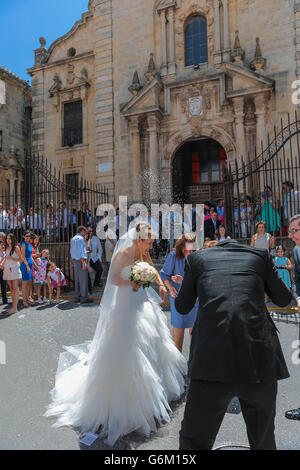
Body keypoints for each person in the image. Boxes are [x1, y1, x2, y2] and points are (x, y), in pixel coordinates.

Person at [45, 222, 186, 446]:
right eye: (149, 243)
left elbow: (152, 269)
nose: (150, 248)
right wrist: (135, 280)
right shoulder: (123, 252)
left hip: (140, 301)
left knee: (151, 341)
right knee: (127, 348)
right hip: (125, 304)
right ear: (139, 239)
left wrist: (159, 285)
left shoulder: (142, 252)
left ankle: (154, 390)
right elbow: (113, 280)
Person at [175, 238, 292, 450]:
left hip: (211, 361)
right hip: (259, 359)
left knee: (194, 441)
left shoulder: (196, 260)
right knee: (263, 440)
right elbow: (284, 299)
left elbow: (182, 306)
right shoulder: (260, 256)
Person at [160, 233, 198, 352]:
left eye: (193, 250)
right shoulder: (173, 256)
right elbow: (164, 274)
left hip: (194, 298)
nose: (191, 253)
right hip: (177, 296)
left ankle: (193, 363)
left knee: (195, 332)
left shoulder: (197, 256)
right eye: (189, 250)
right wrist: (170, 288)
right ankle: (177, 365)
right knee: (178, 329)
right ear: (182, 248)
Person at [285, 214, 300, 420]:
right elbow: (297, 278)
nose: (290, 235)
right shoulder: (296, 251)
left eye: (294, 231)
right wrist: (298, 297)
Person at [1, 234, 22, 315]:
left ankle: (15, 308)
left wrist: (12, 258)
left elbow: (21, 259)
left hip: (14, 268)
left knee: (15, 288)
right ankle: (13, 307)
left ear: (13, 239)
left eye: (9, 238)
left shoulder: (16, 247)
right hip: (7, 268)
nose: (8, 240)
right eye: (7, 238)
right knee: (11, 289)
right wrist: (2, 264)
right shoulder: (6, 247)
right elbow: (5, 258)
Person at [70, 226, 91, 304]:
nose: (86, 233)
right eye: (85, 231)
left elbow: (72, 251)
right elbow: (80, 251)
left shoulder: (73, 239)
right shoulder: (80, 239)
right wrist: (83, 262)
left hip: (75, 260)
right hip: (80, 260)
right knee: (83, 280)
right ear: (82, 231)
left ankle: (77, 297)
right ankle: (84, 298)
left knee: (77, 280)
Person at [20, 231, 34, 308]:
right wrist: (27, 266)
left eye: (29, 236)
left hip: (30, 264)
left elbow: (30, 255)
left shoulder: (29, 244)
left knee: (29, 283)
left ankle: (28, 298)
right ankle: (24, 301)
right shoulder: (23, 244)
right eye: (27, 236)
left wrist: (35, 265)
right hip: (25, 265)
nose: (28, 237)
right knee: (25, 284)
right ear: (23, 236)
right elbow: (22, 256)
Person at [0, 240, 8, 305]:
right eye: (1, 245)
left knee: (4, 286)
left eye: (4, 245)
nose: (3, 246)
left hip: (4, 271)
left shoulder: (5, 254)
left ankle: (5, 300)